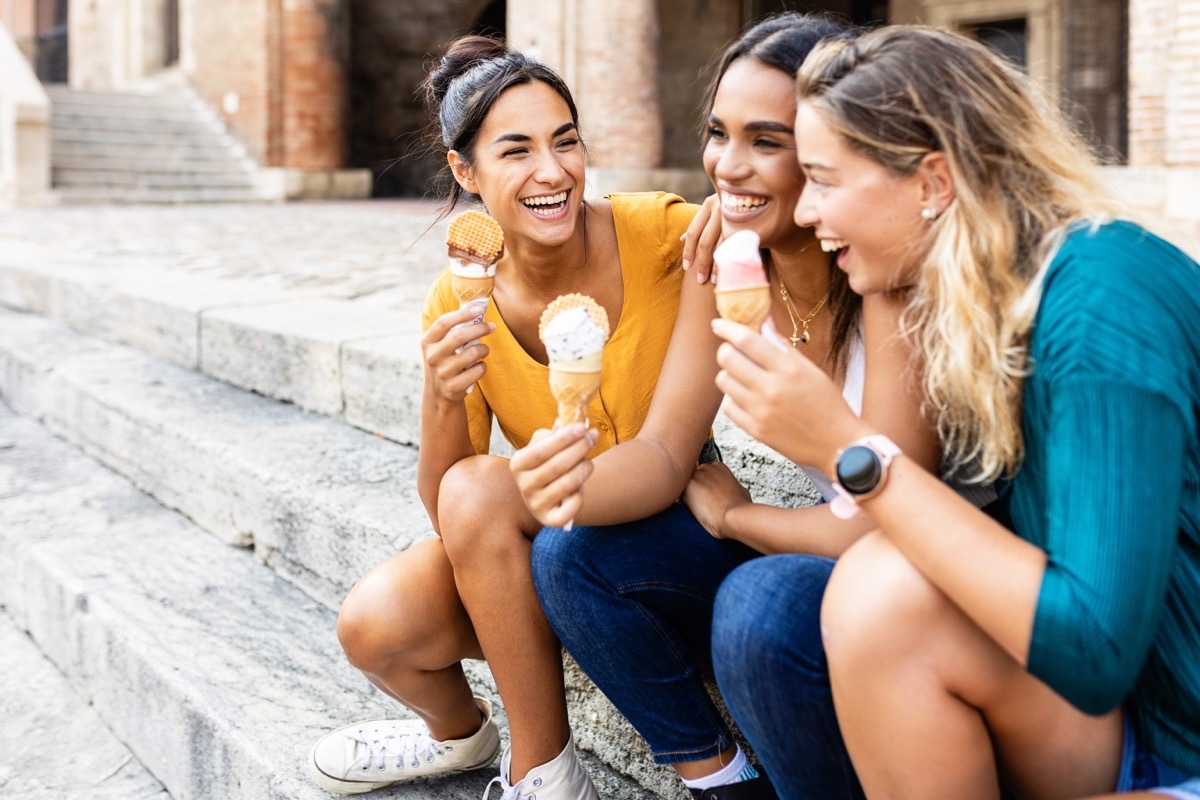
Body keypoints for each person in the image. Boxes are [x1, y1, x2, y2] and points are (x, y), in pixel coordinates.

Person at [709, 24, 1200, 800]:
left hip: (1176, 739)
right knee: (876, 591)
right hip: (1130, 716)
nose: (804, 213)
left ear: (934, 184)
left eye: (825, 180)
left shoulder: (1104, 305)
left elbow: (1095, 648)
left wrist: (847, 449)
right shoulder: (991, 300)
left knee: (880, 591)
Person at [516, 14, 941, 800]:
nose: (727, 167)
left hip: (916, 573)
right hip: (839, 548)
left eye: (767, 141)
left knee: (761, 601)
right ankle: (725, 784)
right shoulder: (726, 260)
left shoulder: (886, 270)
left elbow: (893, 526)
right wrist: (557, 486)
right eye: (718, 134)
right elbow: (662, 453)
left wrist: (739, 519)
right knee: (571, 552)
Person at [306, 35, 699, 799]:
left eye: (567, 142)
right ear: (465, 171)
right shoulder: (459, 302)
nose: (552, 172)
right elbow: (449, 510)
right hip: (552, 538)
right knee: (376, 624)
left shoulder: (661, 234)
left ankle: (541, 776)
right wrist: (443, 390)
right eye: (515, 151)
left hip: (664, 534)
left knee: (486, 491)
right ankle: (462, 739)